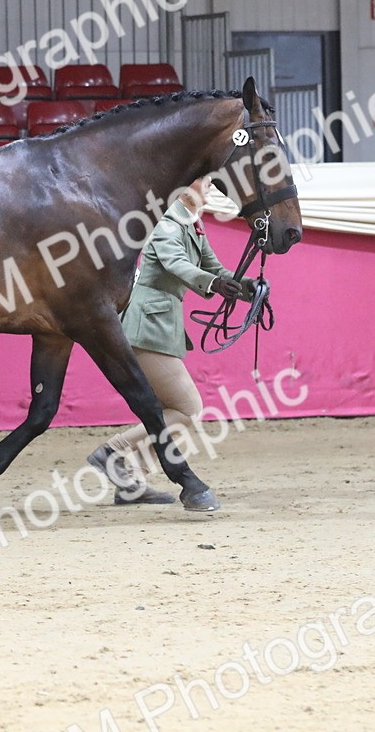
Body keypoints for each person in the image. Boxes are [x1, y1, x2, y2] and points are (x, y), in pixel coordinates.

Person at [87, 176, 256, 507]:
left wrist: (249, 288)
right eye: (204, 181)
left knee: (173, 409)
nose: (210, 187)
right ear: (186, 186)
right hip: (145, 323)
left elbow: (216, 270)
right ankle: (113, 452)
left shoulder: (192, 224)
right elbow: (175, 263)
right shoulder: (168, 220)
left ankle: (131, 478)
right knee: (187, 407)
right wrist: (213, 284)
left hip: (159, 325)